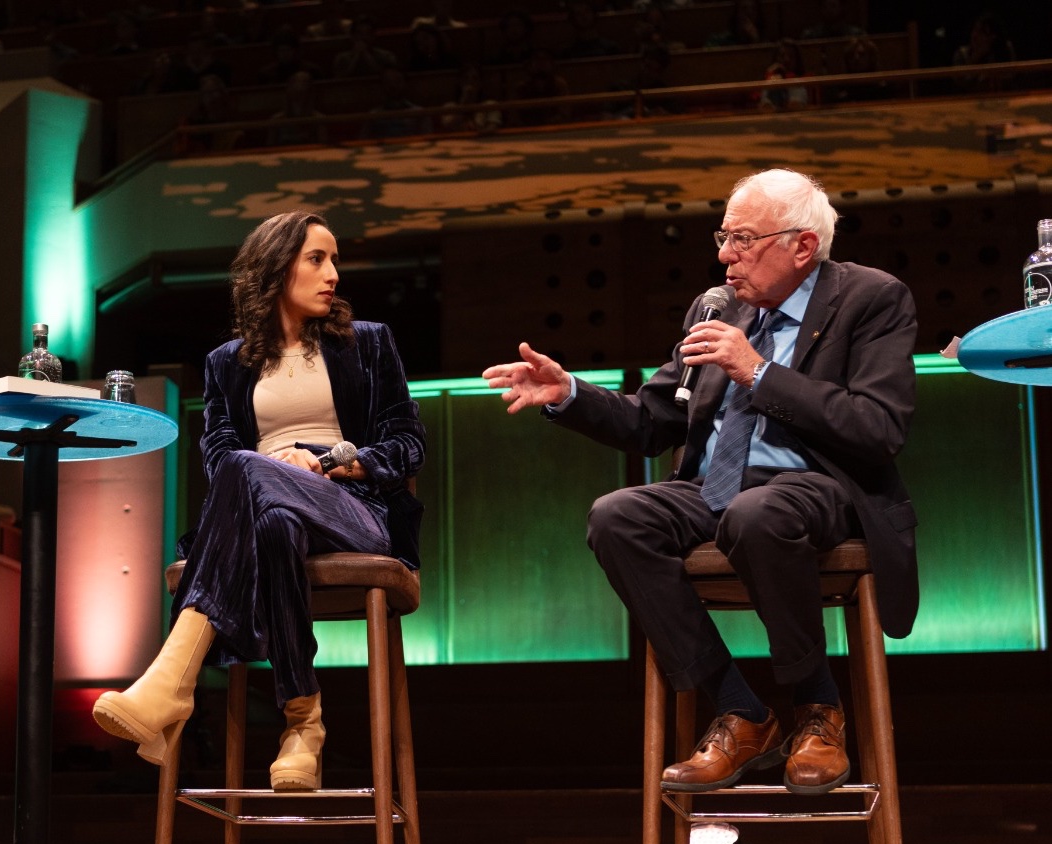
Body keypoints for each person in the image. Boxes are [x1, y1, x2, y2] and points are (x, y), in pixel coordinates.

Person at [482, 168, 918, 797]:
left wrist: (759, 372)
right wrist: (568, 393)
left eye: (742, 240)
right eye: (723, 237)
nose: (724, 256)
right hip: (717, 488)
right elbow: (651, 420)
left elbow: (877, 428)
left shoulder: (871, 299)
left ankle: (817, 708)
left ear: (801, 245)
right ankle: (740, 710)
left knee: (757, 514)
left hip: (817, 486)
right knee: (618, 516)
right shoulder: (716, 307)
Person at [92, 212, 426, 791]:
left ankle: (173, 680)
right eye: (316, 259)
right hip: (259, 517)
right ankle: (303, 722)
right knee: (272, 521)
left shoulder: (369, 344)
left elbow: (408, 444)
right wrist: (273, 474)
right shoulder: (228, 363)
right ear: (276, 268)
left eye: (335, 260)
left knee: (252, 471)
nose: (333, 275)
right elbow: (220, 461)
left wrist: (326, 461)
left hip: (355, 511)